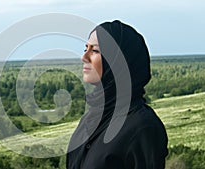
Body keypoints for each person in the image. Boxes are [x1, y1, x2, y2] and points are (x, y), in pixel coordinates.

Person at [66, 20, 168, 169]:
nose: (84, 57)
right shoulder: (90, 119)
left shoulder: (143, 127)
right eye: (85, 48)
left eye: (94, 51)